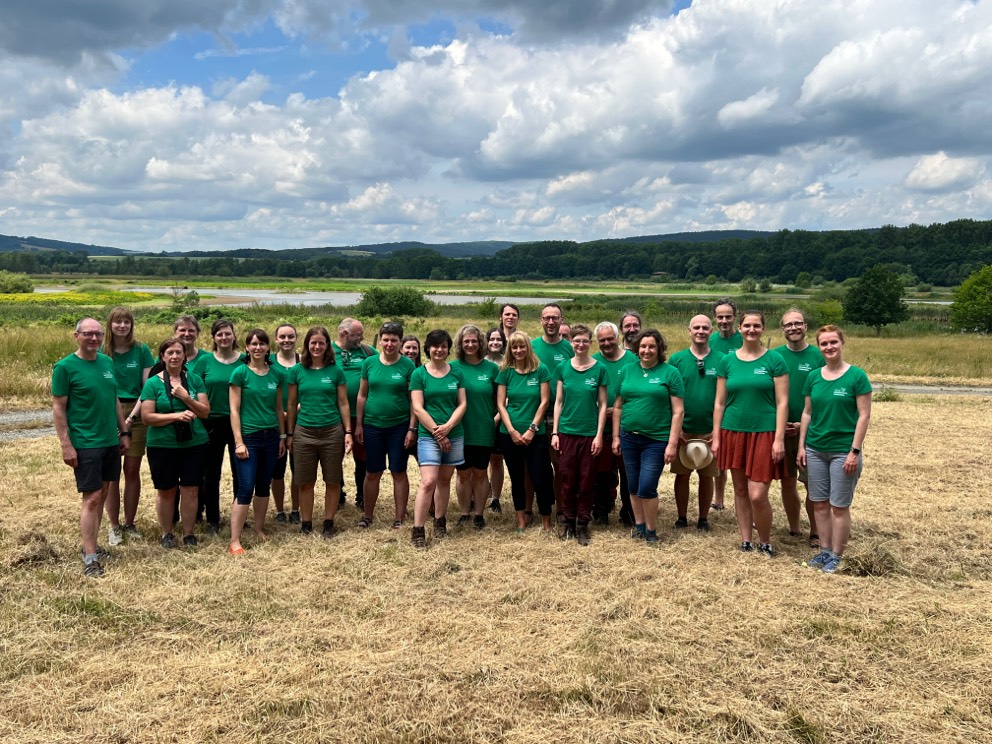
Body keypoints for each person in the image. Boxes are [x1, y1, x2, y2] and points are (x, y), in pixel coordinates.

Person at [53, 317, 131, 578]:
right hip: (85, 443)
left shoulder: (107, 362)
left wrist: (124, 431)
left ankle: (93, 546)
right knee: (92, 498)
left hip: (110, 441)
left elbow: (114, 399)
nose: (94, 339)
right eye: (88, 334)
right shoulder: (65, 367)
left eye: (98, 334)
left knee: (105, 492)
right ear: (76, 336)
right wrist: (66, 444)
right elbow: (59, 408)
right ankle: (89, 557)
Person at [711, 311, 789, 557]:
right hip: (733, 431)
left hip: (764, 433)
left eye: (756, 325)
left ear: (763, 329)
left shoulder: (774, 360)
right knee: (741, 490)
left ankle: (765, 540)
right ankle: (746, 539)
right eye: (747, 325)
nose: (751, 329)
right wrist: (716, 435)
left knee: (758, 494)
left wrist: (778, 439)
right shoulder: (728, 361)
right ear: (740, 328)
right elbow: (719, 403)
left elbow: (782, 402)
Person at [798, 325, 872, 574]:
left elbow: (864, 416)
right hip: (815, 448)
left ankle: (837, 555)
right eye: (824, 343)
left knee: (839, 506)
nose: (829, 347)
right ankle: (825, 551)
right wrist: (802, 446)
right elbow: (807, 413)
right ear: (819, 347)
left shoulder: (857, 376)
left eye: (833, 342)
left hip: (843, 451)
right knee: (818, 503)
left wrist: (854, 451)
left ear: (842, 343)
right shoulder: (814, 377)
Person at [612, 329, 684, 543]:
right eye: (643, 346)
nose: (646, 350)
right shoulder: (626, 370)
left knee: (646, 486)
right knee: (633, 485)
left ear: (659, 348)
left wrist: (672, 443)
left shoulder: (670, 372)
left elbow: (678, 411)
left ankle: (651, 530)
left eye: (651, 346)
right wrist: (616, 436)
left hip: (656, 439)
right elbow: (617, 406)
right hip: (628, 437)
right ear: (637, 348)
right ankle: (640, 525)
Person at [140, 338, 210, 548]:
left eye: (178, 352)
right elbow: (147, 417)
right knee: (166, 489)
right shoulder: (153, 383)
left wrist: (186, 397)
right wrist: (176, 416)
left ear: (184, 356)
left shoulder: (195, 380)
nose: (174, 356)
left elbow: (205, 411)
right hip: (162, 445)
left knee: (191, 489)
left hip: (195, 443)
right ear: (162, 357)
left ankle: (188, 533)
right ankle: (167, 533)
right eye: (170, 352)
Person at [287, 326, 352, 538]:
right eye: (313, 343)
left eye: (321, 343)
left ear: (327, 346)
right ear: (307, 345)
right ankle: (306, 523)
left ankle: (328, 522)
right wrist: (289, 435)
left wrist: (348, 432)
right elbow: (291, 404)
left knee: (332, 480)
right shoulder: (297, 371)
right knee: (305, 481)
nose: (317, 347)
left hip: (332, 432)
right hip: (304, 432)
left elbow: (343, 403)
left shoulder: (336, 371)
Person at [228, 328, 287, 555]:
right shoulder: (240, 373)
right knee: (245, 488)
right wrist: (238, 442)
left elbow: (279, 408)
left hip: (271, 437)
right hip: (249, 438)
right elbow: (234, 410)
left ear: (268, 348)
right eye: (253, 344)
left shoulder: (276, 375)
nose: (257, 347)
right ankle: (234, 540)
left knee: (264, 486)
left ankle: (259, 529)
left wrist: (282, 437)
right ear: (246, 347)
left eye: (262, 344)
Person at [409, 329, 467, 549]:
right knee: (428, 482)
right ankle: (418, 529)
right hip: (428, 436)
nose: (439, 350)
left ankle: (440, 521)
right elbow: (417, 407)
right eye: (435, 346)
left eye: (443, 346)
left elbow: (462, 404)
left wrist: (449, 427)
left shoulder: (456, 373)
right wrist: (437, 432)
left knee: (444, 480)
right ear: (428, 349)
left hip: (454, 433)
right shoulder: (419, 374)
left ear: (448, 348)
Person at [356, 322, 416, 529]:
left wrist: (411, 428)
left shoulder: (408, 365)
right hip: (373, 426)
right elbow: (362, 395)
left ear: (400, 342)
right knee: (372, 472)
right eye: (386, 340)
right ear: (380, 340)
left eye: (394, 340)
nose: (389, 344)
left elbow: (413, 400)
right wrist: (359, 425)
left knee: (398, 471)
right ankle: (367, 515)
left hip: (399, 427)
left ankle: (399, 517)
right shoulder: (370, 363)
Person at [551, 324, 607, 545]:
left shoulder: (599, 369)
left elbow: (603, 404)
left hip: (589, 434)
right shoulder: (563, 368)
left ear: (590, 343)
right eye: (577, 341)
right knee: (567, 480)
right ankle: (568, 522)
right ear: (571, 343)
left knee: (586, 481)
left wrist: (599, 435)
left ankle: (583, 524)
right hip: (566, 432)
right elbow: (558, 402)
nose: (581, 344)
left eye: (585, 341)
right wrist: (555, 432)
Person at [772, 309, 825, 543]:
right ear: (782, 329)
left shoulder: (818, 357)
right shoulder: (774, 356)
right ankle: (794, 528)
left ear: (806, 327)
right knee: (787, 481)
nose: (793, 328)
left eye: (798, 323)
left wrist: (804, 424)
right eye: (788, 324)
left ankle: (815, 531)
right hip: (781, 433)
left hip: (811, 432)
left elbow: (825, 396)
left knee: (812, 483)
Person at [102, 306, 153, 545]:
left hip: (137, 410)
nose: (122, 326)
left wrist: (132, 416)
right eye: (117, 322)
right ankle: (114, 526)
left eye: (127, 322)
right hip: (109, 411)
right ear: (110, 325)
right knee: (112, 473)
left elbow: (148, 388)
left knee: (132, 470)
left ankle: (130, 523)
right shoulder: (102, 351)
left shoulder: (142, 350)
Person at [496, 331, 555, 532]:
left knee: (541, 477)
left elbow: (544, 401)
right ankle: (521, 519)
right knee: (517, 478)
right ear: (510, 350)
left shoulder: (541, 370)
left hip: (535, 435)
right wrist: (512, 431)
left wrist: (532, 429)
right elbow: (501, 405)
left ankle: (547, 519)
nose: (518, 350)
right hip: (509, 434)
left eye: (522, 346)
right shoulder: (505, 371)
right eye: (514, 347)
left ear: (528, 348)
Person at [190, 319, 244, 535]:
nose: (224, 337)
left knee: (240, 471)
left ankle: (239, 516)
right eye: (220, 334)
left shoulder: (244, 360)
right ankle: (213, 518)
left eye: (228, 333)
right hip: (210, 422)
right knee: (210, 474)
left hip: (238, 421)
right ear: (213, 337)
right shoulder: (204, 361)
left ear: (234, 336)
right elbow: (194, 389)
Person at [668, 315, 721, 532]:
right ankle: (681, 517)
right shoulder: (676, 360)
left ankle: (703, 518)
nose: (701, 331)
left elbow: (726, 398)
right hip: (684, 429)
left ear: (711, 331)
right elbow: (668, 395)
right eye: (696, 327)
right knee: (682, 474)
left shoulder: (722, 359)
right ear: (689, 331)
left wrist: (718, 431)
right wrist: (676, 429)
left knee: (707, 475)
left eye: (705, 328)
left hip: (710, 430)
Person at [451, 324, 500, 530]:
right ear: (460, 344)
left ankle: (479, 514)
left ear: (481, 343)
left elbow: (501, 401)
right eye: (466, 342)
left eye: (474, 341)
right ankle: (464, 512)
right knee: (462, 473)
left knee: (480, 473)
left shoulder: (492, 369)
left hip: (484, 429)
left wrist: (494, 421)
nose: (470, 345)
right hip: (459, 430)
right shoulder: (452, 368)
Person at [592, 321, 637, 526]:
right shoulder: (592, 362)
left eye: (610, 338)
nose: (607, 343)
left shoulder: (633, 360)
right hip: (601, 429)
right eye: (602, 340)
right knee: (601, 475)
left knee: (628, 473)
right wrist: (601, 411)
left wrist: (619, 412)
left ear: (618, 337)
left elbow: (639, 394)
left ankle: (629, 512)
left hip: (628, 428)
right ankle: (601, 511)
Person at [532, 303, 574, 516]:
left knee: (560, 467)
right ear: (541, 320)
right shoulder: (532, 346)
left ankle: (561, 508)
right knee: (534, 467)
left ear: (561, 320)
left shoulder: (569, 348)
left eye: (555, 318)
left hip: (562, 417)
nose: (551, 322)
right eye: (547, 318)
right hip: (535, 417)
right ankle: (533, 509)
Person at [333, 318, 375, 507]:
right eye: (358, 334)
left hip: (361, 415)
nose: (362, 337)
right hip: (334, 415)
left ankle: (362, 495)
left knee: (362, 456)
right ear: (344, 334)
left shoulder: (367, 352)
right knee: (334, 455)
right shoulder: (328, 352)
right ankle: (338, 494)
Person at [709, 299, 743, 510]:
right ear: (715, 318)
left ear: (735, 317)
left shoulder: (744, 339)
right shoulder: (710, 340)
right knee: (718, 455)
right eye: (720, 317)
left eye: (728, 316)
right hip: (717, 403)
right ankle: (718, 499)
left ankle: (742, 497)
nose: (724, 321)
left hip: (738, 403)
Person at [270, 323, 300, 523]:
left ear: (296, 338)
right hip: (275, 423)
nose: (286, 340)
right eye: (282, 337)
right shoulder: (268, 361)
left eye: (290, 336)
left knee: (298, 469)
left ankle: (296, 510)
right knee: (277, 470)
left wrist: (296, 409)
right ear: (276, 339)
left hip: (301, 423)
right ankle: (280, 510)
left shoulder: (304, 362)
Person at [485, 327, 507, 512]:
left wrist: (498, 417)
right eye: (491, 339)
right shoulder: (480, 362)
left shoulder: (508, 363)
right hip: (481, 418)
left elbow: (508, 394)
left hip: (500, 418)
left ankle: (496, 499)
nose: (495, 342)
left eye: (498, 339)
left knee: (497, 460)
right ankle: (479, 496)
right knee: (480, 461)